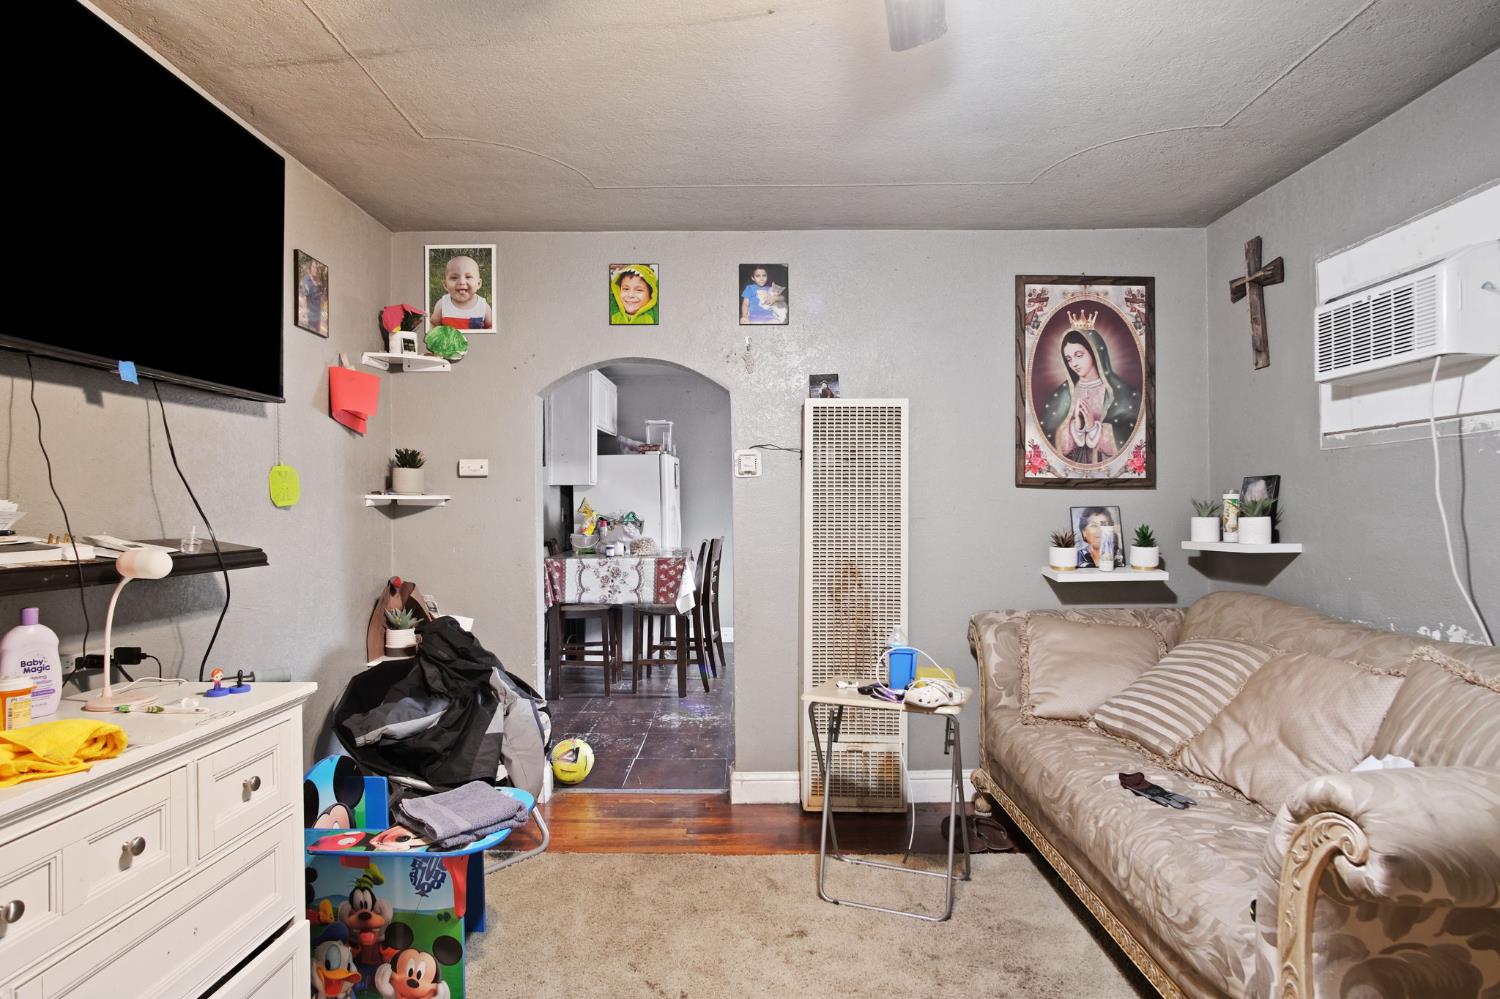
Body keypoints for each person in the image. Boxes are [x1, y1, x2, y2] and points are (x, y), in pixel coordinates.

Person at [1037, 311, 1141, 465]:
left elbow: (1132, 438)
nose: (1074, 364)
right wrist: (1075, 429)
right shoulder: (1064, 393)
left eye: (1079, 355)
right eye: (1069, 359)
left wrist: (1094, 429)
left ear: (1095, 353)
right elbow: (1049, 439)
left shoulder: (1120, 392)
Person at [430, 254, 493, 330]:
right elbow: (433, 324)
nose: (462, 282)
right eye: (454, 278)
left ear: (478, 284)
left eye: (468, 277)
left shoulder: (483, 306)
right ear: (445, 285)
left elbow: (491, 327)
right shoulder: (442, 305)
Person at [300, 259, 326, 334]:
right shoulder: (306, 280)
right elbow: (303, 296)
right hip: (311, 318)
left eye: (316, 268)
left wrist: (323, 296)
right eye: (314, 267)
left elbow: (318, 299)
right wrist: (305, 313)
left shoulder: (316, 281)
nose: (316, 269)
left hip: (318, 317)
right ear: (310, 268)